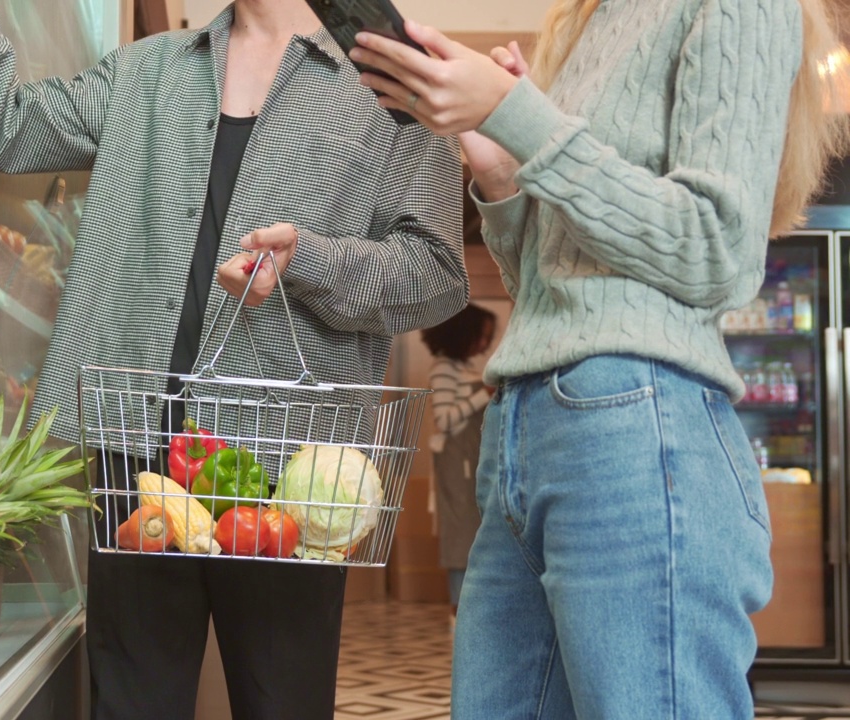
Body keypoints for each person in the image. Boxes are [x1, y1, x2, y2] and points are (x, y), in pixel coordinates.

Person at [0, 1, 469, 717]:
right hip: (136, 461)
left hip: (288, 472)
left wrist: (310, 258)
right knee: (131, 703)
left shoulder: (391, 84)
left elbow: (436, 273)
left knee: (284, 704)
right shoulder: (149, 69)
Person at [350, 0, 850, 717]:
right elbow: (546, 282)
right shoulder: (585, 22)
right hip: (523, 424)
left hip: (633, 424)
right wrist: (500, 170)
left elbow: (717, 251)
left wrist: (522, 114)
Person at [421, 303, 495, 624]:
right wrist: (485, 394)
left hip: (471, 459)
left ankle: (470, 607)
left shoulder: (462, 367)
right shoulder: (443, 367)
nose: (486, 344)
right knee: (460, 532)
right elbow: (444, 419)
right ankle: (458, 607)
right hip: (457, 461)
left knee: (472, 531)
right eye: (483, 336)